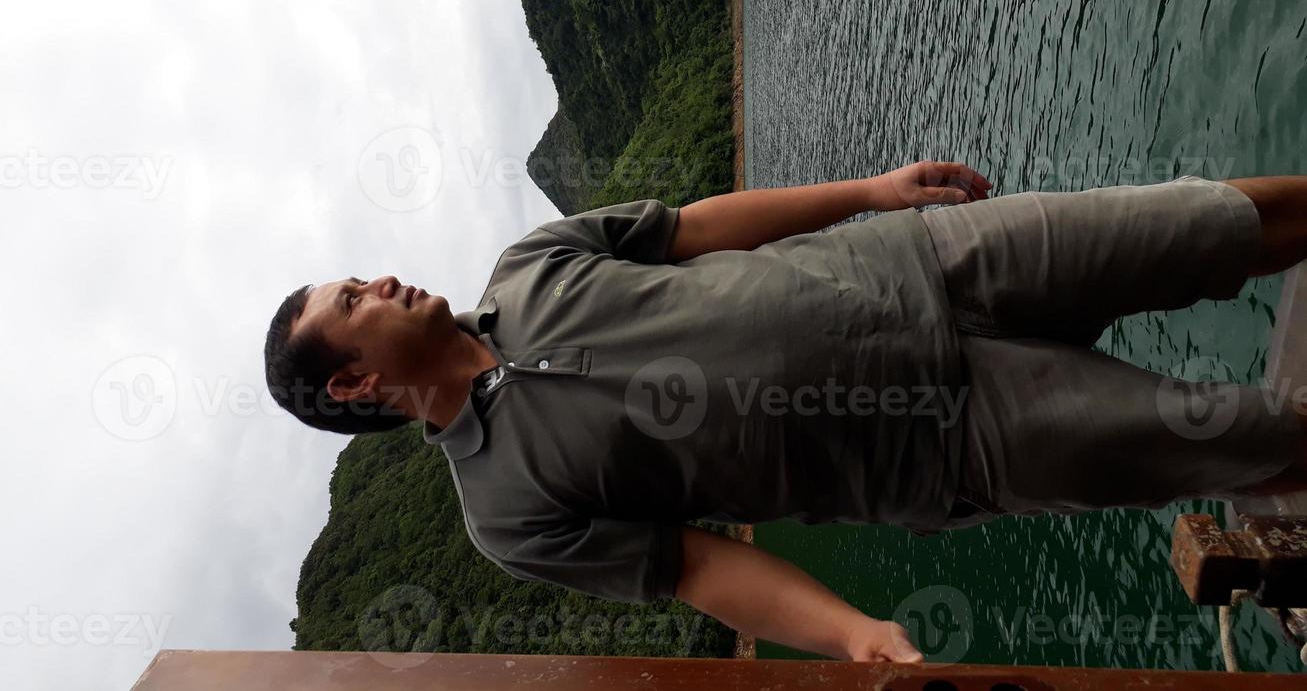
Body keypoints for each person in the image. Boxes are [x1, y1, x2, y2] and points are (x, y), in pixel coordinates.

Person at [263, 162, 1307, 663]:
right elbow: (701, 568)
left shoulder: (528, 262)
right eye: (352, 299)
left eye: (356, 276)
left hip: (922, 262)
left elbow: (695, 228)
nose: (382, 280)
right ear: (352, 384)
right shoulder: (504, 510)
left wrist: (873, 190)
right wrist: (851, 630)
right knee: (1247, 442)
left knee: (1210, 222)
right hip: (936, 439)